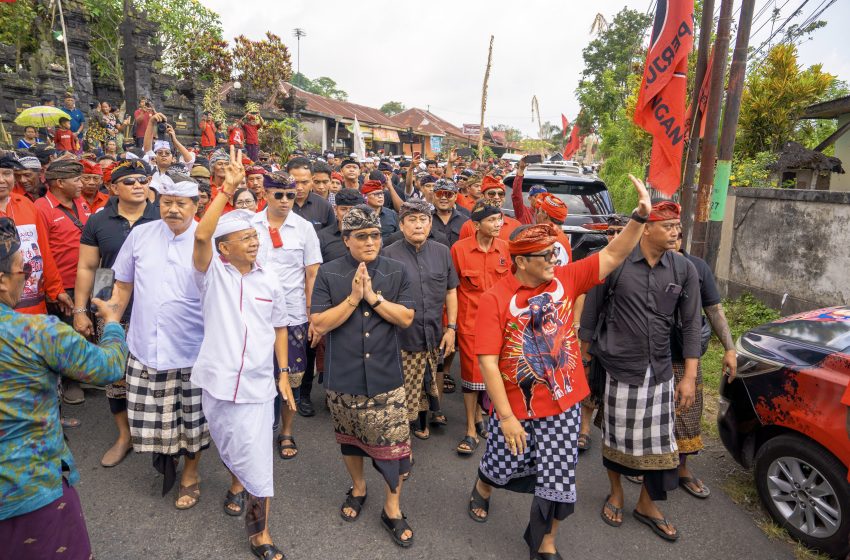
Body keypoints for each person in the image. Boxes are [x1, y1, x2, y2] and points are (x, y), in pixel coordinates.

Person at [468, 176, 650, 558]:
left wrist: (639, 218)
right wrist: (505, 417)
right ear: (521, 262)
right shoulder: (495, 299)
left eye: (554, 254)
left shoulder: (566, 280)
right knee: (501, 463)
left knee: (558, 478)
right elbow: (487, 361)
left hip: (565, 404)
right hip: (517, 407)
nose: (555, 260)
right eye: (545, 257)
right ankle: (483, 487)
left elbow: (613, 255)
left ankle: (545, 541)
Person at [0, 217, 129, 560]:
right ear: (2, 280)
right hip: (30, 487)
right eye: (22, 270)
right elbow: (107, 367)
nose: (27, 276)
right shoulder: (37, 332)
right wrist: (113, 324)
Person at [191, 147, 293, 560]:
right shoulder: (210, 274)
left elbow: (281, 327)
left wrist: (283, 372)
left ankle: (260, 534)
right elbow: (201, 235)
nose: (254, 243)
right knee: (231, 446)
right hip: (216, 382)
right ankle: (236, 481)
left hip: (256, 385)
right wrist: (226, 190)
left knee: (259, 464)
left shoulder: (270, 281)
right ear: (224, 249)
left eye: (255, 237)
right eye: (244, 239)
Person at [581, 200, 701, 541]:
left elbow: (691, 325)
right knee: (617, 438)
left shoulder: (683, 269)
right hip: (618, 366)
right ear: (646, 228)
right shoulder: (616, 262)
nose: (676, 232)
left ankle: (647, 504)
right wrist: (583, 363)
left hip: (661, 370)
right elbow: (590, 316)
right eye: (669, 226)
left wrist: (689, 377)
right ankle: (616, 494)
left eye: (678, 226)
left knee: (662, 445)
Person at [310, 205, 416, 548]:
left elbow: (405, 318)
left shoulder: (396, 271)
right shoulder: (329, 274)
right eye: (362, 236)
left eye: (375, 235)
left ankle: (392, 508)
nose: (370, 242)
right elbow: (320, 324)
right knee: (350, 439)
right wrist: (354, 299)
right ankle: (358, 488)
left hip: (386, 375)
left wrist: (372, 297)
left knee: (395, 448)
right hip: (344, 375)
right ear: (346, 240)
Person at [108, 175, 210, 508]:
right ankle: (169, 460)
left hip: (192, 349)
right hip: (145, 347)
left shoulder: (208, 240)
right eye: (166, 202)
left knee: (192, 420)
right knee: (157, 418)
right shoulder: (140, 235)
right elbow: (122, 286)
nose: (173, 210)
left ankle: (191, 474)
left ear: (196, 205)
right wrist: (110, 326)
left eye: (181, 203)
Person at [74, 159, 160, 467]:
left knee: (156, 374)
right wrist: (81, 310)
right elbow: (86, 267)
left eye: (142, 179)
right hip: (112, 310)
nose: (138, 185)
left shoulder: (163, 215)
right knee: (116, 376)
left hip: (155, 309)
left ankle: (158, 435)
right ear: (113, 187)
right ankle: (124, 435)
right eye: (129, 181)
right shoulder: (99, 221)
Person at [251, 171, 322, 448]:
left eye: (290, 195)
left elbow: (312, 273)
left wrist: (311, 315)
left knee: (291, 376)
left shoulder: (304, 228)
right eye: (278, 195)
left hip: (293, 315)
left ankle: (286, 431)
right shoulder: (250, 224)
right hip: (255, 314)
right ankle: (259, 431)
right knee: (257, 375)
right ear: (265, 194)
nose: (284, 200)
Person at [383, 200, 458, 439]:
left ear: (429, 223)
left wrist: (451, 328)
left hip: (434, 334)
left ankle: (421, 422)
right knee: (401, 390)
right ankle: (400, 437)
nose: (418, 225)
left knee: (427, 382)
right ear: (402, 225)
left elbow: (450, 291)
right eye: (412, 220)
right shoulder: (388, 254)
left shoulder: (442, 252)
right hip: (401, 338)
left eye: (423, 220)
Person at [671, 232, 737, 498]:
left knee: (688, 410)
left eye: (675, 235)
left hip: (687, 354)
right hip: (649, 354)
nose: (670, 239)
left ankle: (682, 468)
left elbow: (714, 309)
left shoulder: (698, 268)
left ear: (681, 240)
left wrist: (730, 349)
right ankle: (644, 463)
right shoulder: (644, 265)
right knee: (649, 411)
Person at [451, 199, 511, 456]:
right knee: (471, 378)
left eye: (499, 219)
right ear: (476, 225)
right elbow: (451, 289)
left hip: (499, 324)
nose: (498, 224)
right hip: (470, 323)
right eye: (491, 220)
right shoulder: (459, 249)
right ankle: (470, 430)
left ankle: (482, 418)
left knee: (494, 376)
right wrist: (450, 326)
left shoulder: (506, 249)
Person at [35, 159, 92, 406]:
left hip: (86, 279)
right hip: (64, 284)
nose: (81, 184)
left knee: (85, 330)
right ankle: (70, 381)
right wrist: (55, 289)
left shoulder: (80, 202)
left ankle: (84, 372)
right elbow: (42, 251)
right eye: (77, 180)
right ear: (59, 183)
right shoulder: (41, 207)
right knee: (67, 333)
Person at [577, 213, 629, 451]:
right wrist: (579, 331)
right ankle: (584, 429)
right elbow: (583, 296)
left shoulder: (639, 260)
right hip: (598, 331)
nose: (615, 236)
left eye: (620, 231)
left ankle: (620, 440)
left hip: (627, 337)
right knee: (591, 381)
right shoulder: (595, 259)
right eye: (610, 232)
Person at [458, 176, 520, 241]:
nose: (497, 197)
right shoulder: (469, 226)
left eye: (501, 194)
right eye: (491, 194)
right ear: (482, 196)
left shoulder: (515, 225)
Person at [287, 157, 336, 232]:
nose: (299, 188)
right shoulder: (276, 203)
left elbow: (332, 236)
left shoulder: (324, 206)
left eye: (304, 182)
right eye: (295, 182)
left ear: (312, 180)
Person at [317, 188, 364, 263]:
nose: (348, 214)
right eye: (343, 209)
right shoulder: (321, 237)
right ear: (335, 209)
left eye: (353, 210)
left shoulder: (369, 236)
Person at [534, 193, 572, 265]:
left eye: (539, 211)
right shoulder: (559, 236)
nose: (537, 215)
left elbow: (553, 273)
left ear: (545, 214)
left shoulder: (552, 240)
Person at [510, 157, 547, 225]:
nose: (540, 198)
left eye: (543, 196)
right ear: (529, 198)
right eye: (536, 196)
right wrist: (521, 169)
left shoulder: (548, 215)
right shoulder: (523, 212)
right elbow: (516, 196)